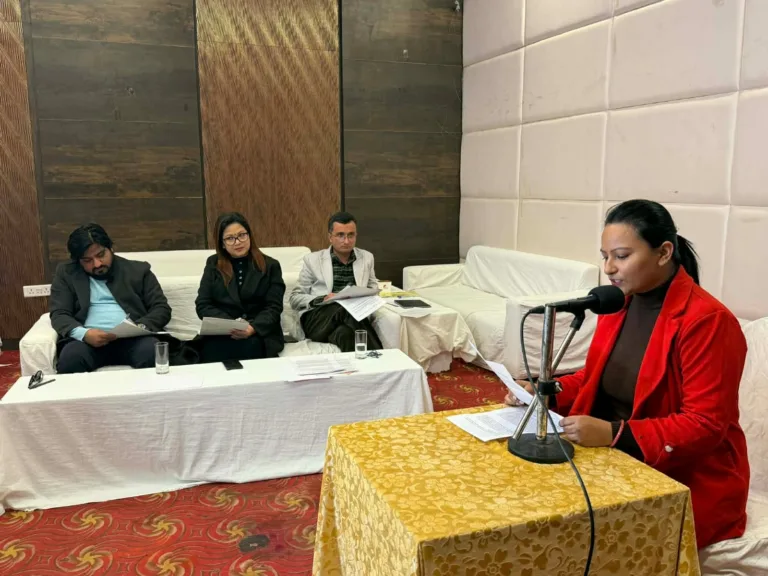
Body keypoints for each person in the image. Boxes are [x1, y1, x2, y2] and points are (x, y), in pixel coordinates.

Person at [505, 199, 749, 549]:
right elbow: (596, 379)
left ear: (664, 253)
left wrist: (613, 433)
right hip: (611, 458)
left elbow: (704, 424)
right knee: (516, 497)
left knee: (569, 538)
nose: (608, 268)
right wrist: (546, 392)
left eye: (621, 256)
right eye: (605, 256)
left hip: (683, 477)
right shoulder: (620, 303)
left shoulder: (708, 322)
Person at [50, 223, 171, 374]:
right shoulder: (66, 273)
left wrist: (139, 327)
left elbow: (161, 308)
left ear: (111, 248)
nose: (97, 264)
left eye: (101, 255)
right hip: (87, 341)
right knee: (71, 359)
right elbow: (59, 313)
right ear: (78, 261)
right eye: (87, 260)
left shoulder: (138, 271)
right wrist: (84, 334)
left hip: (134, 339)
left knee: (152, 353)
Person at [195, 212, 285, 363]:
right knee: (210, 351)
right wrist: (231, 325)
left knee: (250, 347)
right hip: (222, 332)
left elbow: (273, 307)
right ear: (222, 243)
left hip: (258, 332)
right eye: (230, 238)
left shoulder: (270, 265)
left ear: (249, 236)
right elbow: (203, 304)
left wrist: (252, 328)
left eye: (242, 235)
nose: (237, 242)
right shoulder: (213, 264)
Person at [290, 211, 383, 352]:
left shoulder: (366, 258)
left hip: (352, 318)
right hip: (318, 319)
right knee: (343, 308)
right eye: (340, 235)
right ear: (330, 237)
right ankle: (381, 355)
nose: (346, 241)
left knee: (345, 334)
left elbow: (372, 289)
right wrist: (322, 298)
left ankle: (362, 365)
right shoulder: (312, 260)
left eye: (351, 235)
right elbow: (294, 298)